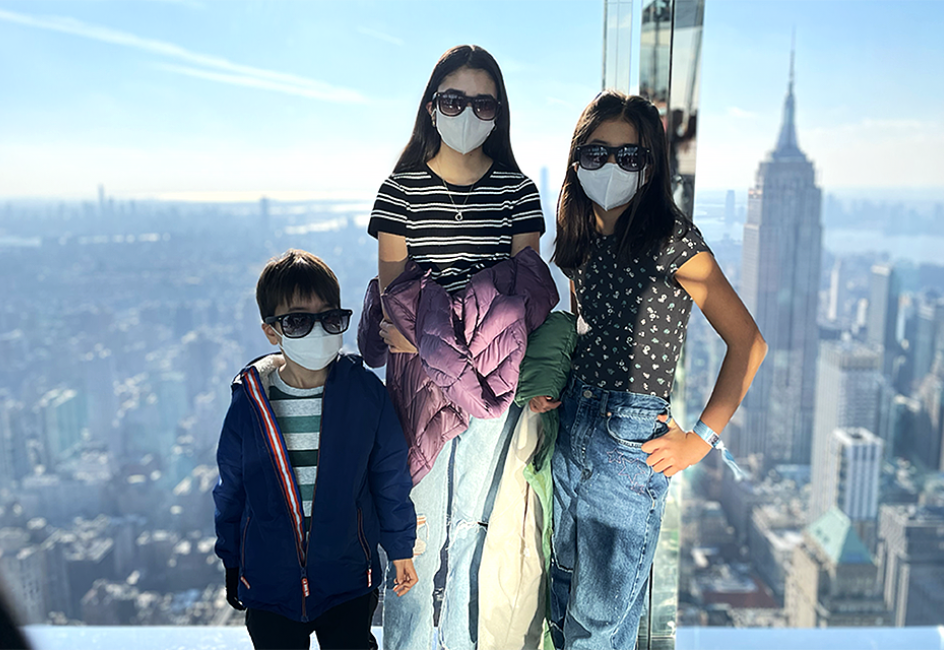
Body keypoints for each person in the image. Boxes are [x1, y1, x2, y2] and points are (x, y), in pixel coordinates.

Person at [532, 91, 767, 650]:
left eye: (628, 156)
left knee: (598, 628)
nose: (610, 166)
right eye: (596, 154)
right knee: (559, 606)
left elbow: (749, 343)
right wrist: (555, 384)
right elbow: (584, 322)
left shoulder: (672, 240)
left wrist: (701, 442)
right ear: (576, 160)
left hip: (631, 443)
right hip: (571, 428)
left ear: (650, 164)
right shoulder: (584, 231)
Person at [359, 44, 555, 650]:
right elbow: (397, 297)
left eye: (483, 102)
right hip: (420, 377)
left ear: (500, 113)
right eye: (454, 99)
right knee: (413, 529)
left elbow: (531, 291)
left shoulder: (518, 191)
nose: (468, 113)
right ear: (431, 105)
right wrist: (434, 333)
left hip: (489, 380)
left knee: (473, 525)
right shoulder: (400, 189)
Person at [213, 249, 418, 650]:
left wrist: (400, 549)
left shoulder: (365, 394)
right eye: (297, 321)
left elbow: (390, 478)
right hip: (271, 583)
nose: (318, 331)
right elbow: (231, 489)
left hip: (347, 577)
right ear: (271, 331)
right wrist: (232, 560)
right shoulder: (251, 403)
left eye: (329, 318)